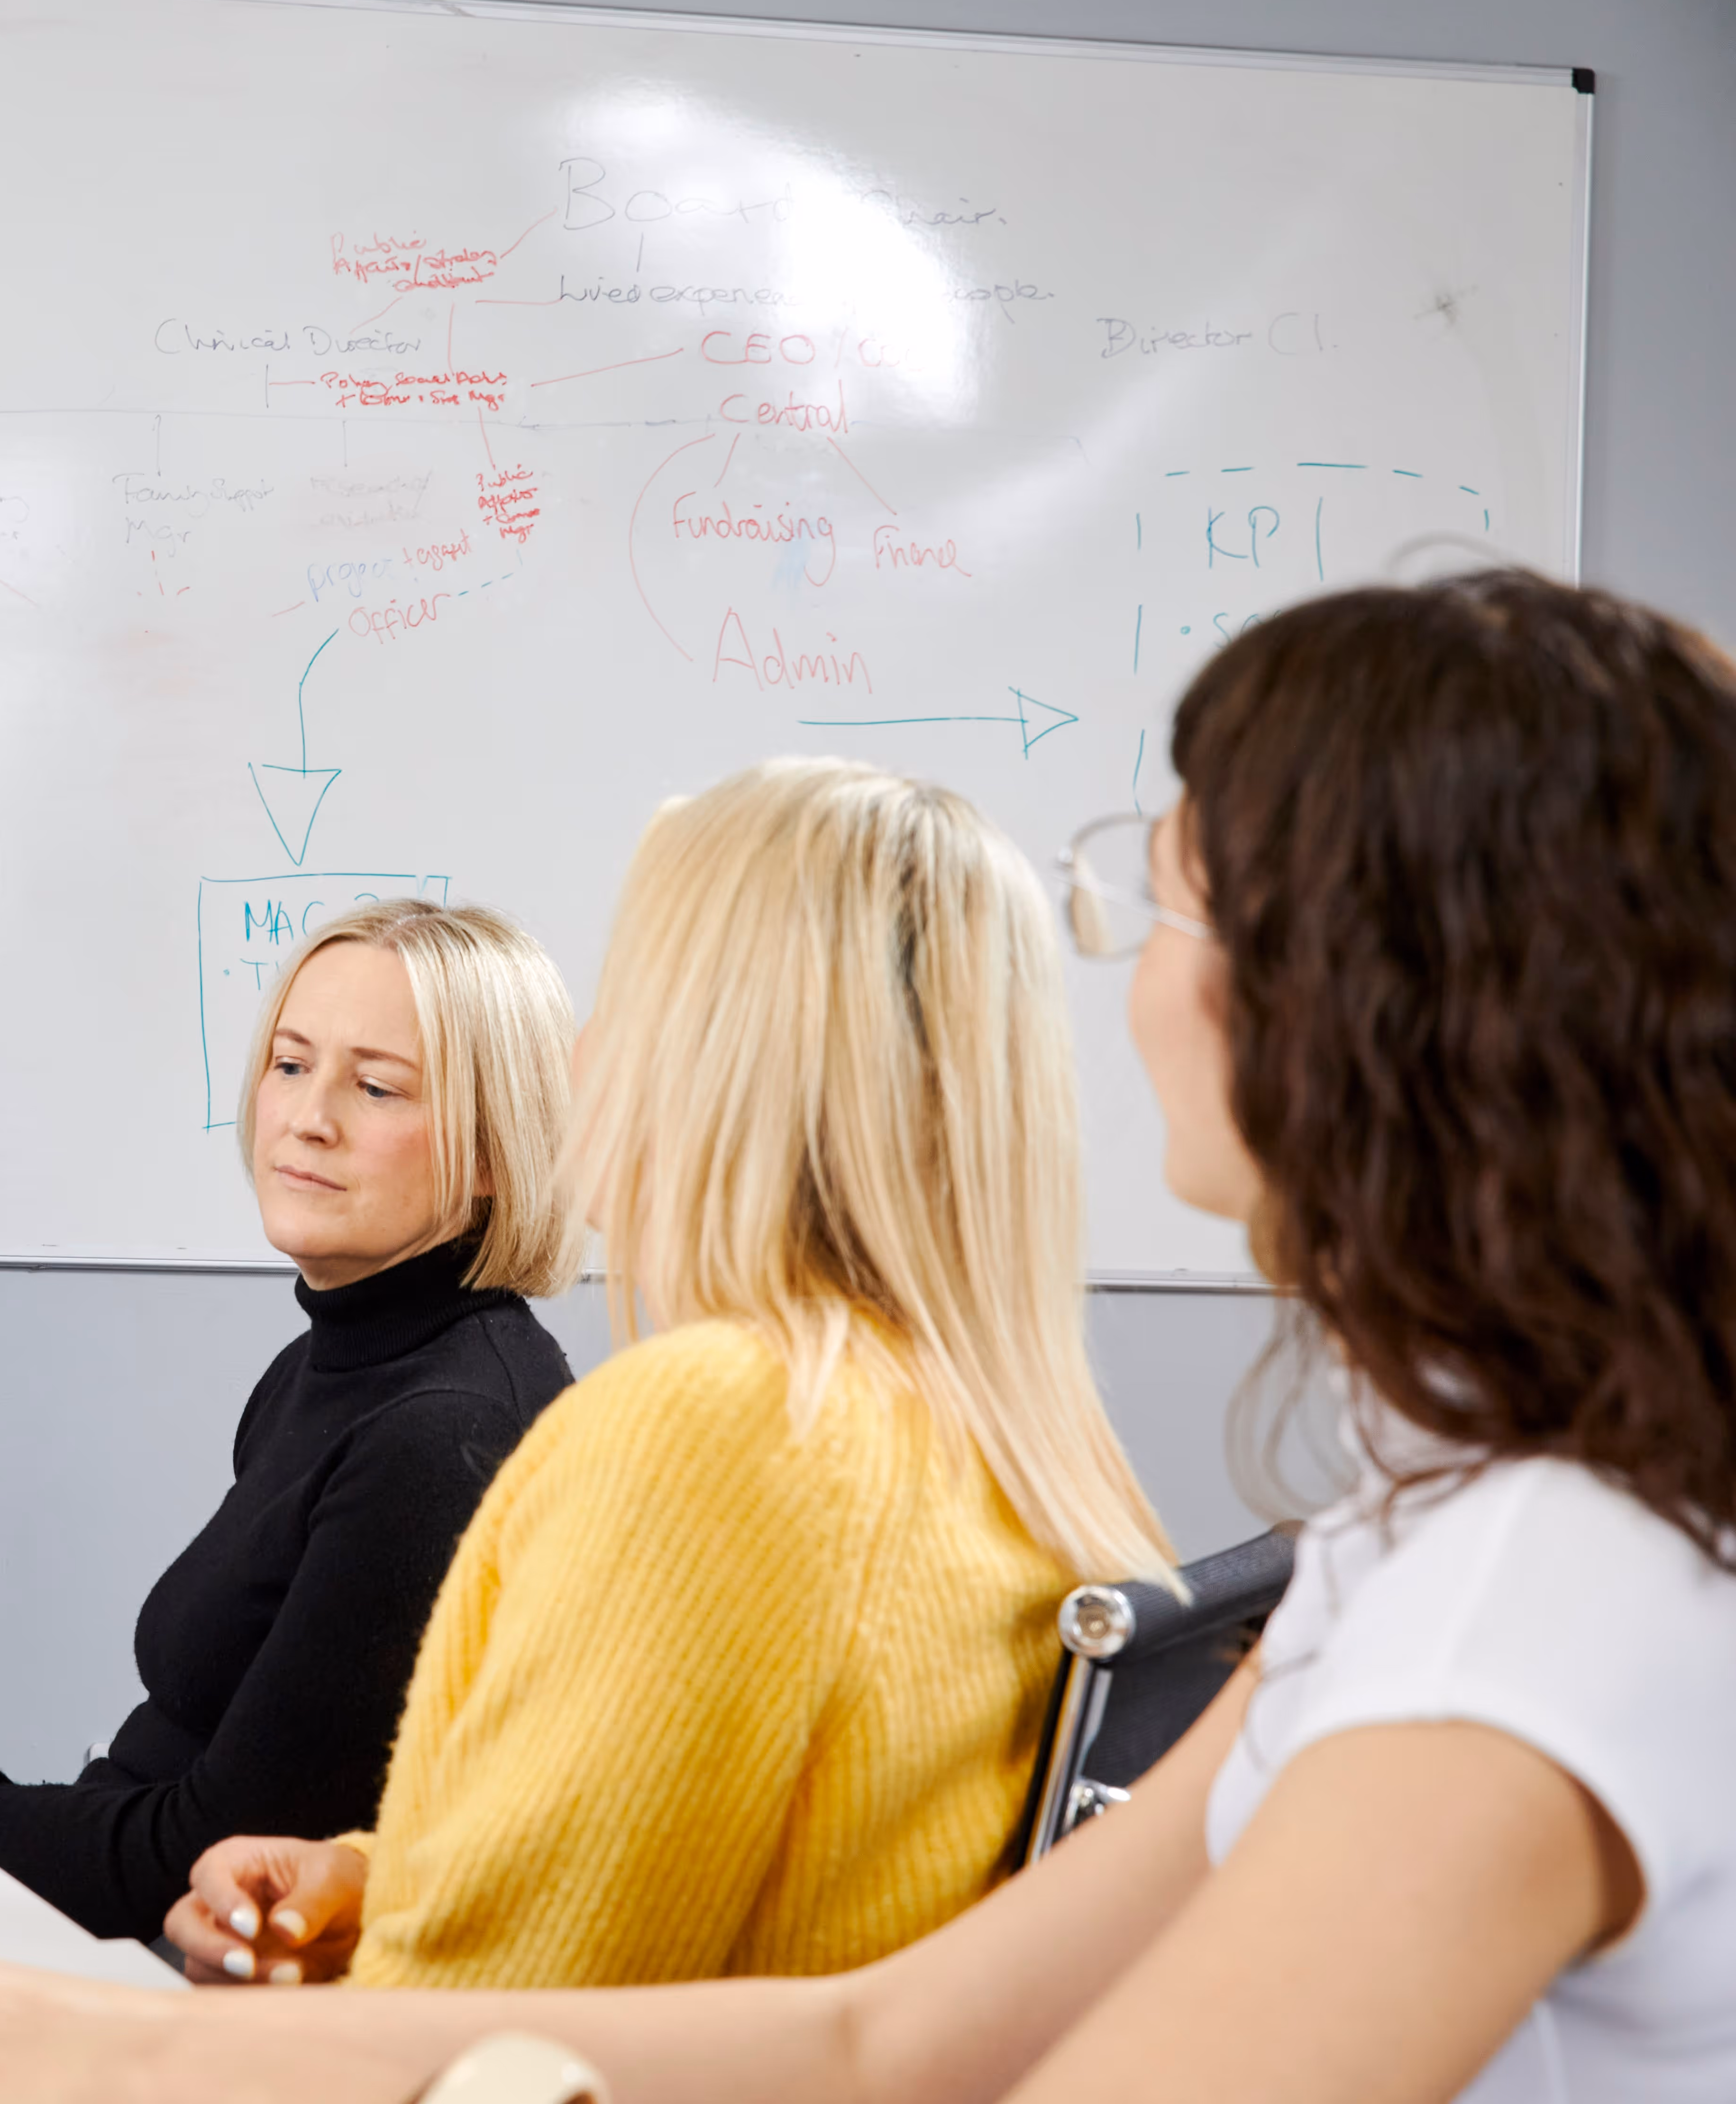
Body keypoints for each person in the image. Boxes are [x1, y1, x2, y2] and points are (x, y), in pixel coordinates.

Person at [0, 571, 1736, 2104]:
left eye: (1173, 908)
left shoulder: (1536, 1595)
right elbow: (882, 2036)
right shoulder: (1427, 1528)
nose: (1124, 991)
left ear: (1375, 1007)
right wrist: (118, 2033)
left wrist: (101, 2047)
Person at [146, 761, 1174, 1996]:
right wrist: (388, 1878)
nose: (579, 1057)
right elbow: (697, 1864)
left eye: (626, 996)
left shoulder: (721, 1425)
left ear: (722, 1058)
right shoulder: (988, 1429)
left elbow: (488, 2030)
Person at [0, 900, 578, 1942]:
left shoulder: (440, 1439)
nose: (308, 1116)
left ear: (491, 1150)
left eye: (376, 1085)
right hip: (127, 1914)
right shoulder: (322, 1365)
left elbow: (217, 1857)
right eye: (290, 1064)